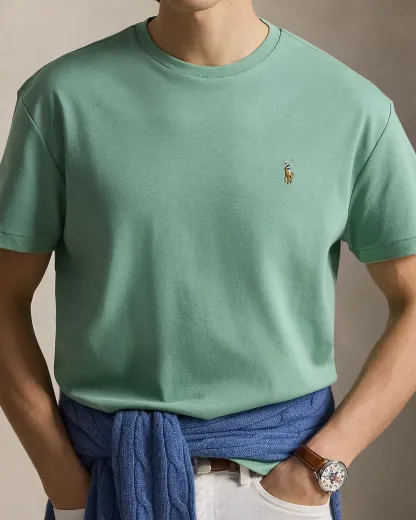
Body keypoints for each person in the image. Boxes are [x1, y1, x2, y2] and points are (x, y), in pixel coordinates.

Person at [1, 0, 416, 519]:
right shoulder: (59, 99)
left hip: (281, 485)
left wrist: (320, 468)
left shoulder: (351, 107)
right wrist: (62, 478)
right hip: (109, 482)